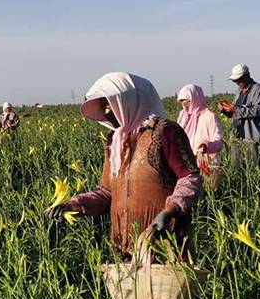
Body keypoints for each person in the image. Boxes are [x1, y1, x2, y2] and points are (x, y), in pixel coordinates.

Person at [46, 72, 202, 258]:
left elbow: (190, 178)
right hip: (122, 245)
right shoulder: (115, 139)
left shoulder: (166, 132)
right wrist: (73, 205)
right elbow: (106, 192)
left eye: (109, 105)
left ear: (127, 100)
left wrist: (169, 211)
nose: (106, 112)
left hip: (163, 240)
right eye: (103, 107)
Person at [218, 64, 260, 170]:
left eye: (239, 80)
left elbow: (258, 110)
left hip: (251, 138)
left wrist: (235, 109)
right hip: (237, 138)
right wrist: (225, 110)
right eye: (235, 81)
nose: (237, 83)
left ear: (247, 76)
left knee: (252, 171)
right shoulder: (238, 92)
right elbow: (235, 114)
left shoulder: (257, 90)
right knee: (236, 170)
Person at [177, 84, 224, 190]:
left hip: (206, 165)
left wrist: (205, 146)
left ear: (196, 98)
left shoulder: (209, 116)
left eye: (187, 101)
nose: (185, 105)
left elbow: (219, 142)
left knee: (208, 194)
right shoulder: (183, 116)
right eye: (182, 102)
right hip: (187, 163)